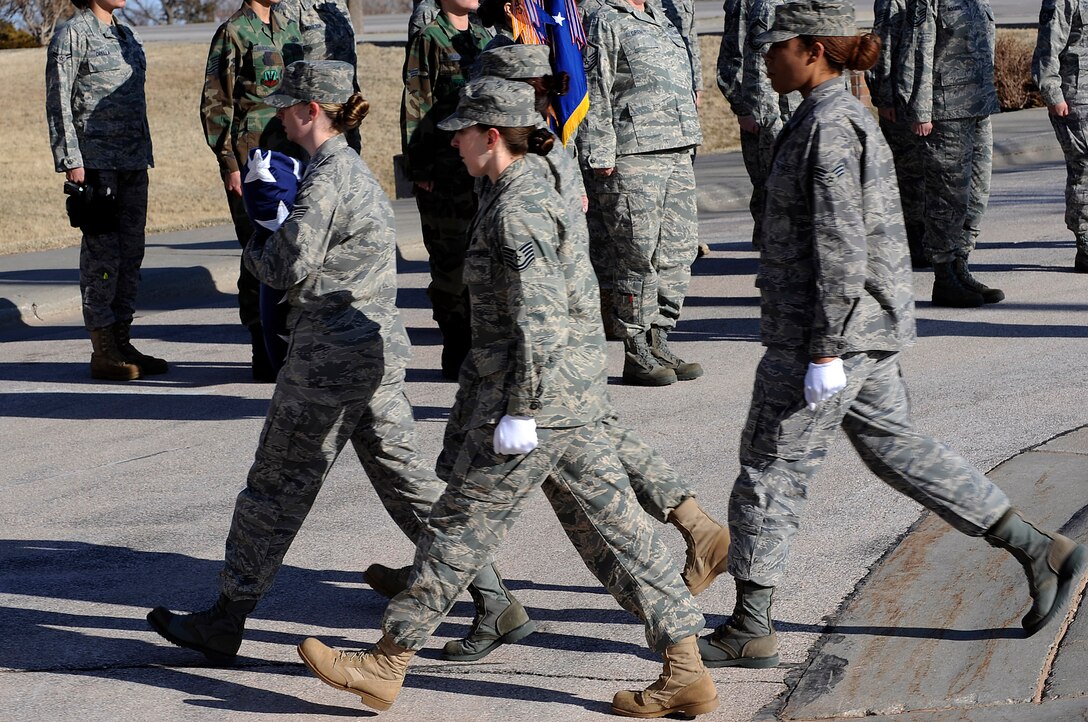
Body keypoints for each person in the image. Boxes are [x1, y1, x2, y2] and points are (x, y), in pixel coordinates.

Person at [296, 76, 720, 719]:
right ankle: (685, 667)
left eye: (463, 134)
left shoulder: (519, 204)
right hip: (564, 396)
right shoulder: (521, 187)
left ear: (490, 136)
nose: (456, 145)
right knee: (609, 534)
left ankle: (387, 661)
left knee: (457, 529)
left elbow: (538, 317)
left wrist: (521, 409)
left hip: (538, 402)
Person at [697, 0, 1088, 671]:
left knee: (771, 470)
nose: (766, 58)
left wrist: (823, 349)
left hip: (825, 335)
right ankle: (1036, 548)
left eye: (776, 47)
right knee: (898, 452)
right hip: (855, 331)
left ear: (813, 49)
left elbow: (841, 243)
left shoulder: (832, 124)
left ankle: (750, 625)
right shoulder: (827, 115)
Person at [145, 61, 532, 667]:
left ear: (310, 111)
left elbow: (283, 268)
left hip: (331, 359)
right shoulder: (345, 170)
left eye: (286, 105)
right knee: (409, 486)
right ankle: (493, 598)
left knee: (274, 488)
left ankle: (225, 620)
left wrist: (259, 223)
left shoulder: (328, 178)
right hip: (367, 353)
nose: (278, 115)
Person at [365, 44, 731, 610]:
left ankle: (453, 584)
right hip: (548, 346)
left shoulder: (534, 161)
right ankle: (693, 533)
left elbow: (538, 278)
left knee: (539, 482)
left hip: (549, 348)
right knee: (516, 458)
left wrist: (525, 395)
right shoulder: (528, 152)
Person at [580, 0, 704, 387]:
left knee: (677, 251)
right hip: (632, 153)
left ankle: (659, 338)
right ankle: (635, 349)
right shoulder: (601, 17)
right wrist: (599, 152)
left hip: (677, 146)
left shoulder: (660, 16)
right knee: (637, 254)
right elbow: (594, 87)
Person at [45, 0, 167, 381]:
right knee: (103, 258)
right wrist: (71, 158)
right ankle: (103, 348)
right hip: (96, 163)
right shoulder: (72, 34)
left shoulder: (124, 33)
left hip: (132, 161)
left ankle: (122, 340)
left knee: (131, 254)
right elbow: (58, 99)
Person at [201, 0, 305, 381]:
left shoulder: (290, 28)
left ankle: (293, 343)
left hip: (292, 159)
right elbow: (216, 103)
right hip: (253, 164)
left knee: (296, 250)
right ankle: (263, 348)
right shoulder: (233, 32)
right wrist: (229, 164)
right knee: (259, 251)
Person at [402, 0, 491, 379]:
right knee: (451, 265)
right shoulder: (430, 38)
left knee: (483, 260)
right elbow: (415, 102)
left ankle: (484, 346)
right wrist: (419, 164)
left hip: (482, 170)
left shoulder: (483, 35)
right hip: (444, 173)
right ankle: (456, 347)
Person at [896, 0, 1004, 306]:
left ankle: (961, 267)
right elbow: (918, 49)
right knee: (948, 198)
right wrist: (919, 110)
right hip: (945, 109)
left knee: (976, 193)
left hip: (978, 106)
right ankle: (944, 277)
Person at [717, 0, 801, 247]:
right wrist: (747, 110)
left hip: (797, 114)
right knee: (773, 190)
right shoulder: (763, 5)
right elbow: (738, 60)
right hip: (774, 116)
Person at [867, 0, 927, 268]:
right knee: (908, 174)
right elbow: (882, 46)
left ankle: (923, 237)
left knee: (922, 174)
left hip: (918, 97)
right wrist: (884, 97)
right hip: (898, 103)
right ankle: (912, 240)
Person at [1033, 0, 1088, 272]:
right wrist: (1053, 94)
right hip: (1077, 97)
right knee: (1085, 168)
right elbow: (1048, 47)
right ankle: (1086, 243)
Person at [277, 0, 362, 150]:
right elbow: (284, 68)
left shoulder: (336, 4)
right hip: (310, 121)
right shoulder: (288, 6)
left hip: (343, 114)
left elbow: (350, 57)